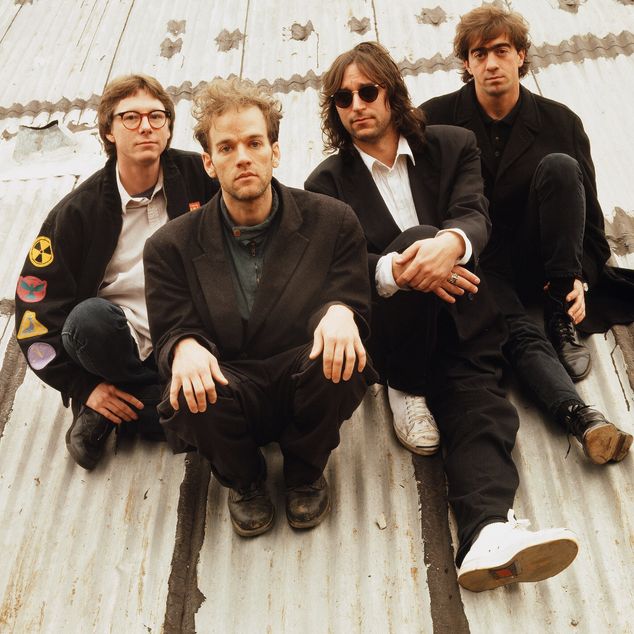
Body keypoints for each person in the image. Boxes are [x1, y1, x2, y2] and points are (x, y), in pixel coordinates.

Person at [305, 41, 578, 592]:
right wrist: (405, 269)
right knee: (418, 236)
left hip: (463, 321)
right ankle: (403, 387)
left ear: (392, 91)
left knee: (484, 413)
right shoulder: (324, 186)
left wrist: (450, 245)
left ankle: (486, 533)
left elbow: (473, 212)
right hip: (394, 333)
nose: (356, 105)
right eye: (342, 98)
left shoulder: (452, 145)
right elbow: (339, 268)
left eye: (367, 91)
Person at [143, 78, 375, 537]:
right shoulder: (169, 247)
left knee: (346, 357)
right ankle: (245, 481)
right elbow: (171, 326)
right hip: (231, 384)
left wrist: (340, 311)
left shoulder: (332, 221)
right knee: (183, 385)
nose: (243, 157)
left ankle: (305, 472)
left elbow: (350, 293)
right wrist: (184, 347)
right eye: (226, 148)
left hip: (302, 373)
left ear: (275, 151)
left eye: (254, 143)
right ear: (209, 163)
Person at [421, 5, 633, 465]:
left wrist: (580, 278)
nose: (491, 63)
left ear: (521, 55)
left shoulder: (561, 122)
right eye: (480, 54)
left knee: (559, 167)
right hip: (480, 262)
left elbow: (591, 227)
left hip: (545, 258)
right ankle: (585, 421)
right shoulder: (435, 120)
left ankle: (560, 315)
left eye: (501, 50)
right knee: (514, 334)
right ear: (466, 63)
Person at [15, 74, 218, 470]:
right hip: (123, 347)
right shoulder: (76, 212)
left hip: (194, 337)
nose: (146, 126)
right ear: (108, 130)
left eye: (157, 116)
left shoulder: (202, 175)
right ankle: (155, 406)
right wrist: (85, 387)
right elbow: (32, 314)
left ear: (169, 127)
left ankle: (122, 413)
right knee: (87, 321)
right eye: (131, 117)